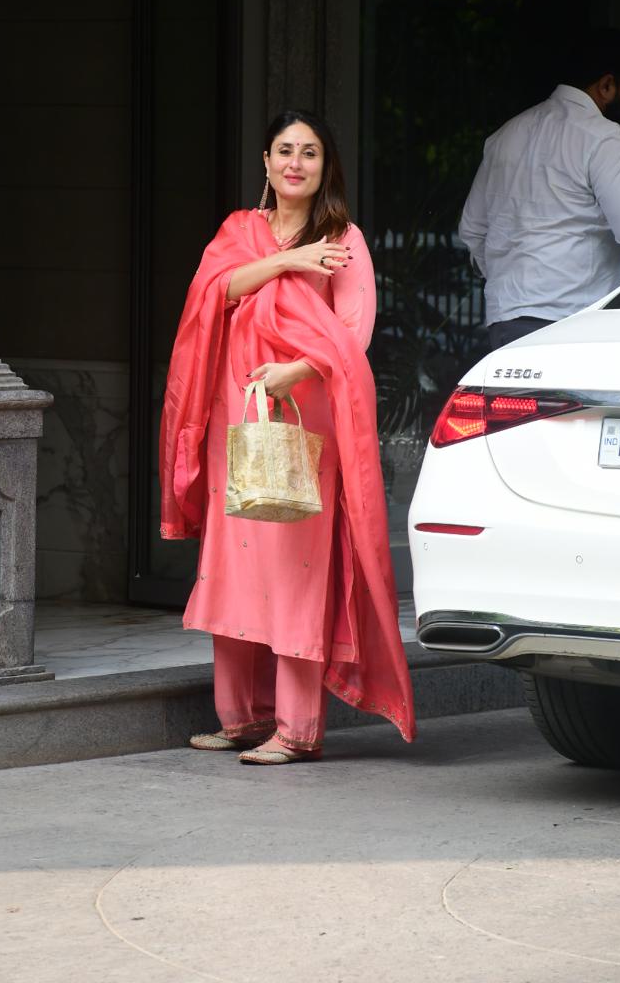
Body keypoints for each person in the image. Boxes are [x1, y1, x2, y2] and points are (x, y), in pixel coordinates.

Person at [159, 110, 415, 765]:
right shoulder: (240, 231)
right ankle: (242, 719)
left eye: (309, 153)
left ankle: (298, 728)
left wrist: (294, 370)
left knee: (295, 571)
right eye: (284, 151)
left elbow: (350, 337)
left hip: (305, 423)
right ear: (266, 164)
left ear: (325, 167)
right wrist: (291, 259)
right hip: (236, 417)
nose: (295, 163)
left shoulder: (345, 239)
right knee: (234, 565)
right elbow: (211, 294)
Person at [459, 28, 620, 350]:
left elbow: (472, 231)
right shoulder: (605, 138)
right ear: (607, 85)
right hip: (573, 328)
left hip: (507, 321)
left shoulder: (506, 135)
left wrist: (512, 282)